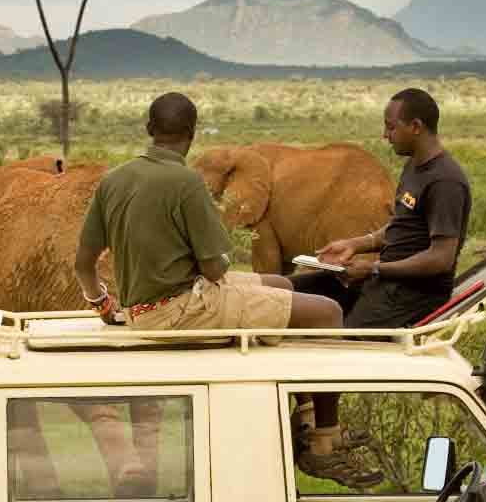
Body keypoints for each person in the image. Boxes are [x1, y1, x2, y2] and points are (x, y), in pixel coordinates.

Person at [73, 92, 358, 479]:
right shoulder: (187, 182)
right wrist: (216, 254)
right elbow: (213, 269)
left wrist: (102, 304)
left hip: (145, 309)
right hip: (183, 308)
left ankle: (305, 416)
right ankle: (325, 440)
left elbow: (83, 264)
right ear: (191, 133)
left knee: (281, 284)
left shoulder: (114, 180)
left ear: (149, 129)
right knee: (328, 313)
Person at [293, 87, 472, 327]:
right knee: (290, 295)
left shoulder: (445, 182)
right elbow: (402, 228)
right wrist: (355, 244)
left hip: (410, 296)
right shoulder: (414, 167)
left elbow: (441, 258)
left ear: (415, 127)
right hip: (384, 282)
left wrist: (374, 269)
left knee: (336, 339)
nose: (385, 135)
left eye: (391, 127)